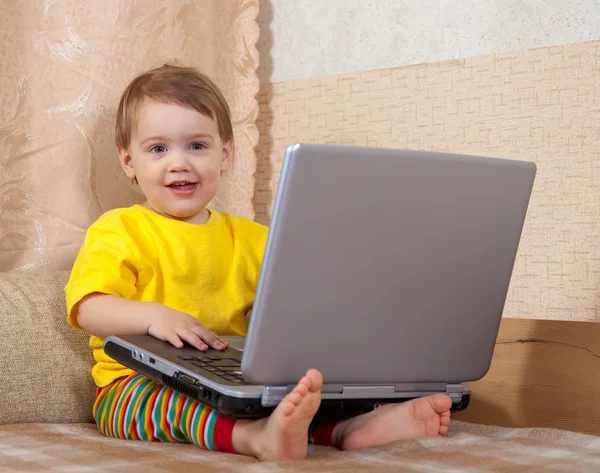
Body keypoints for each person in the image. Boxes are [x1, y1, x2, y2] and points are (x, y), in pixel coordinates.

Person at [65, 65, 452, 461]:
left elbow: (294, 303)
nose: (179, 163)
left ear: (226, 154)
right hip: (136, 383)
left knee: (298, 392)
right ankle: (255, 439)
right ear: (129, 162)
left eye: (197, 146)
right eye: (158, 149)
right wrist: (153, 317)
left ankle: (349, 427)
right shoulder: (120, 229)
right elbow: (89, 308)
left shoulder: (254, 238)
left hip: (233, 377)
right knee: (170, 404)